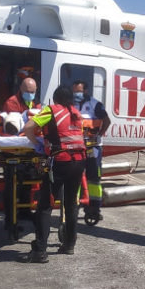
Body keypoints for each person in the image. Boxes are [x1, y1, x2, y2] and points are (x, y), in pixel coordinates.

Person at [22, 86, 87, 263]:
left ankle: (40, 251)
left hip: (60, 162)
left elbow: (28, 127)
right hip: (79, 161)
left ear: (55, 99)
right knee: (71, 203)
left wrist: (37, 143)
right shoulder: (76, 113)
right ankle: (69, 244)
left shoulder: (51, 110)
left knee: (45, 205)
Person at [0, 76, 41, 238]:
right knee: (12, 184)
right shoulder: (12, 103)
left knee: (28, 180)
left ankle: (24, 211)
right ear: (21, 90)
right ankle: (10, 219)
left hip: (27, 147)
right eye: (28, 92)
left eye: (33, 92)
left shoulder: (35, 103)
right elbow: (12, 125)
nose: (31, 94)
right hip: (13, 148)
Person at [73, 80, 111, 224]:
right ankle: (74, 206)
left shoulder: (95, 104)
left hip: (92, 148)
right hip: (76, 147)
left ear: (86, 91)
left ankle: (94, 208)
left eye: (78, 91)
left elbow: (107, 120)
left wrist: (99, 134)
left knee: (93, 179)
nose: (76, 94)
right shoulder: (71, 105)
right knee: (75, 177)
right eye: (74, 91)